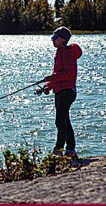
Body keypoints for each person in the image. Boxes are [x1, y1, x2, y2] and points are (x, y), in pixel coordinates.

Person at [43, 26, 82, 160]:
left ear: (63, 39)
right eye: (52, 38)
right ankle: (70, 150)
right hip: (61, 91)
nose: (52, 40)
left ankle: (59, 149)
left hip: (67, 91)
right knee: (64, 121)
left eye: (55, 38)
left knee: (60, 121)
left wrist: (51, 78)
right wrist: (48, 86)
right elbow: (59, 75)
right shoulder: (60, 53)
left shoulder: (67, 54)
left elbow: (69, 74)